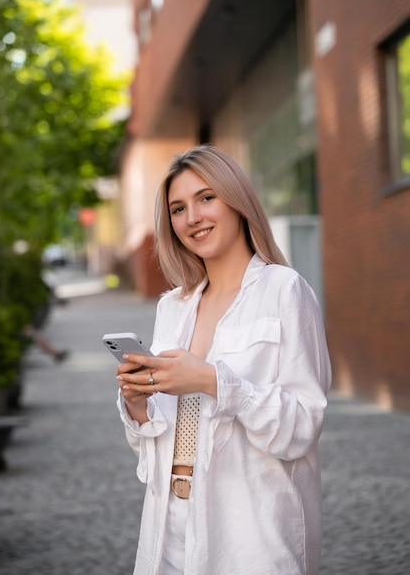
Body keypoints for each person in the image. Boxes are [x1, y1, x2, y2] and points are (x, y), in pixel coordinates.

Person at [116, 145, 331, 575]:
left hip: (249, 535)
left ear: (237, 201)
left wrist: (214, 381)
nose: (192, 217)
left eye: (206, 198)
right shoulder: (172, 307)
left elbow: (302, 425)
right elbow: (157, 436)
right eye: (178, 208)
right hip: (170, 529)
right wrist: (138, 404)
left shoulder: (283, 291)